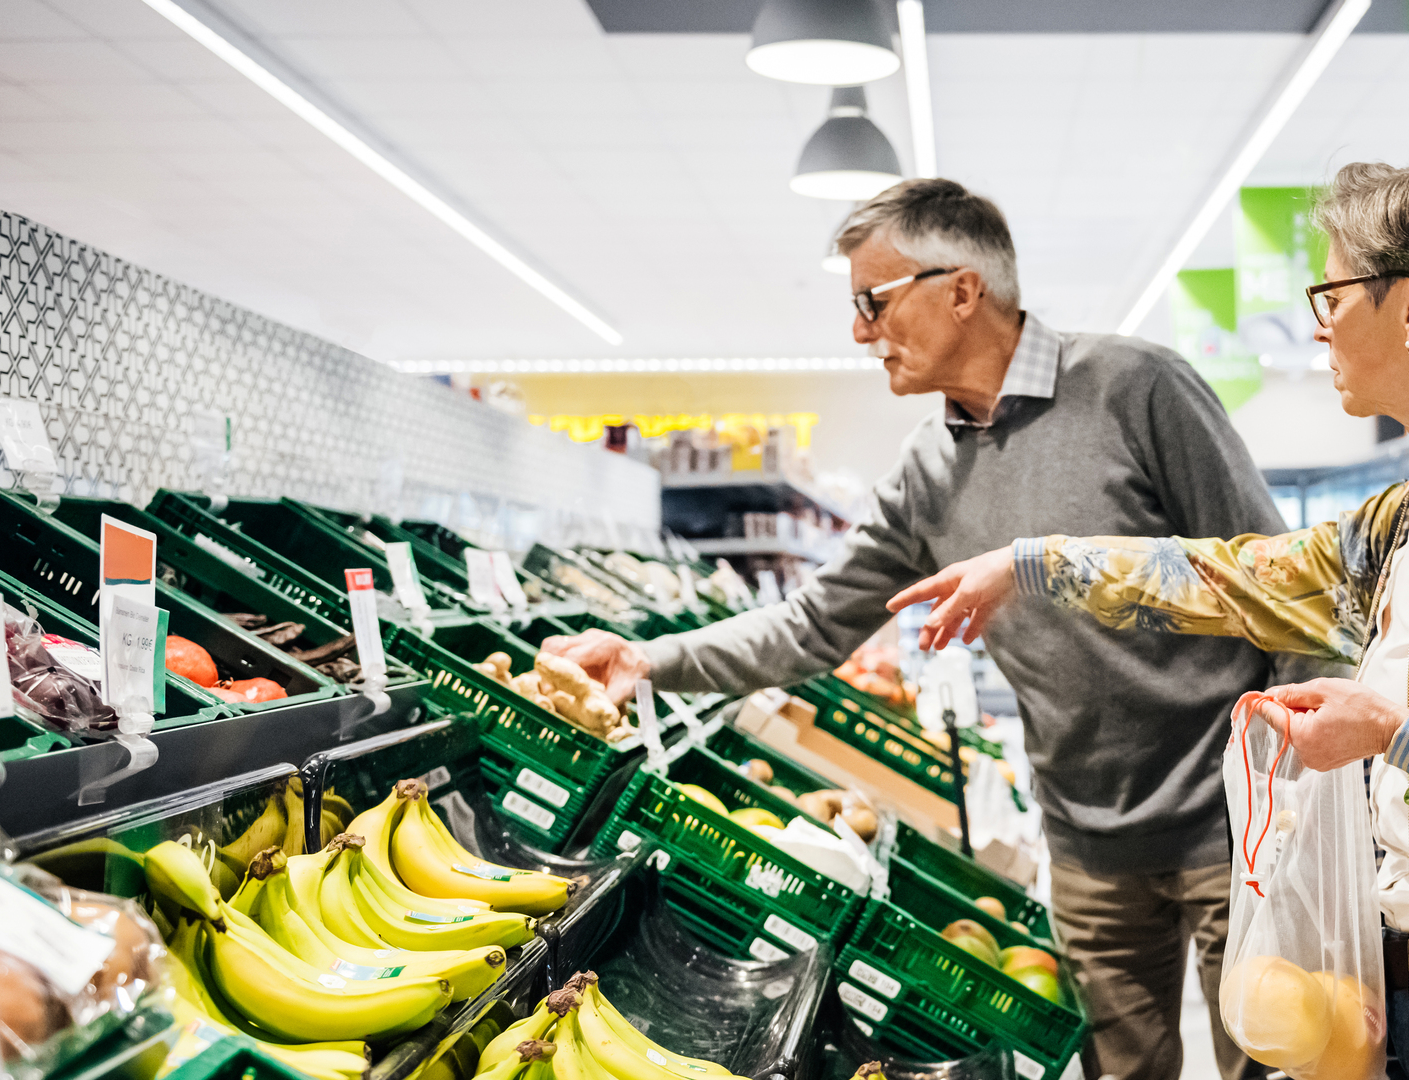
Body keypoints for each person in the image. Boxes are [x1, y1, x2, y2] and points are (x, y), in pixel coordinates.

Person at [888, 158, 1409, 1080]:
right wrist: (1033, 564)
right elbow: (1245, 574)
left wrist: (1394, 736)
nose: (1321, 327)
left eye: (1333, 292)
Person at [548, 177, 1331, 1080]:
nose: (859, 332)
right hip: (1086, 845)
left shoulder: (1135, 388)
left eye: (872, 302)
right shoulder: (927, 470)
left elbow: (1282, 577)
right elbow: (811, 627)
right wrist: (646, 658)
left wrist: (1296, 788)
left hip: (1234, 815)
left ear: (962, 289)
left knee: (1279, 1062)